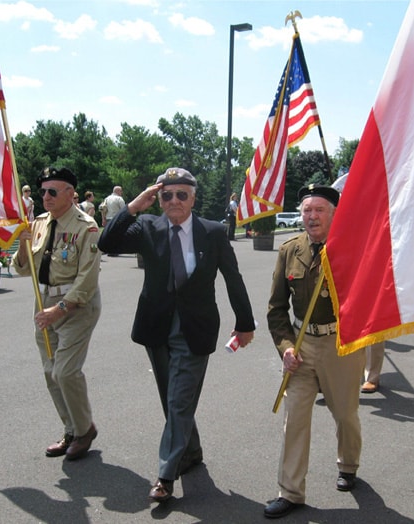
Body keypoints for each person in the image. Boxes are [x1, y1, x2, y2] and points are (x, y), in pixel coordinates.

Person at [97, 167, 255, 503]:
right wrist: (133, 208)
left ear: (193, 198)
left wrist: (245, 323)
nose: (173, 201)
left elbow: (233, 278)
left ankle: (166, 476)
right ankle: (192, 451)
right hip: (156, 327)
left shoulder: (212, 232)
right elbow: (106, 243)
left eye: (181, 194)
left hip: (194, 329)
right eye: (166, 195)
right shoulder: (148, 227)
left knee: (179, 400)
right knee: (172, 398)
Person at [265, 184, 365, 519]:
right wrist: (286, 347)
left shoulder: (352, 249)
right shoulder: (290, 250)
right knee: (294, 418)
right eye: (307, 210)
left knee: (345, 414)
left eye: (319, 210)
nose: (311, 216)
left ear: (336, 214)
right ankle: (290, 492)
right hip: (302, 345)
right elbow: (277, 309)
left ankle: (348, 464)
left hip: (342, 344)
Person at [12, 167, 102, 461]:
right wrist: (23, 245)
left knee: (65, 371)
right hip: (44, 302)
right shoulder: (38, 223)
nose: (45, 197)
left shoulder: (86, 227)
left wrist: (59, 309)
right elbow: (22, 269)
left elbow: (87, 278)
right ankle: (72, 429)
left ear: (70, 194)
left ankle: (84, 430)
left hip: (75, 307)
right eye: (42, 192)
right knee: (51, 373)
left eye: (53, 191)